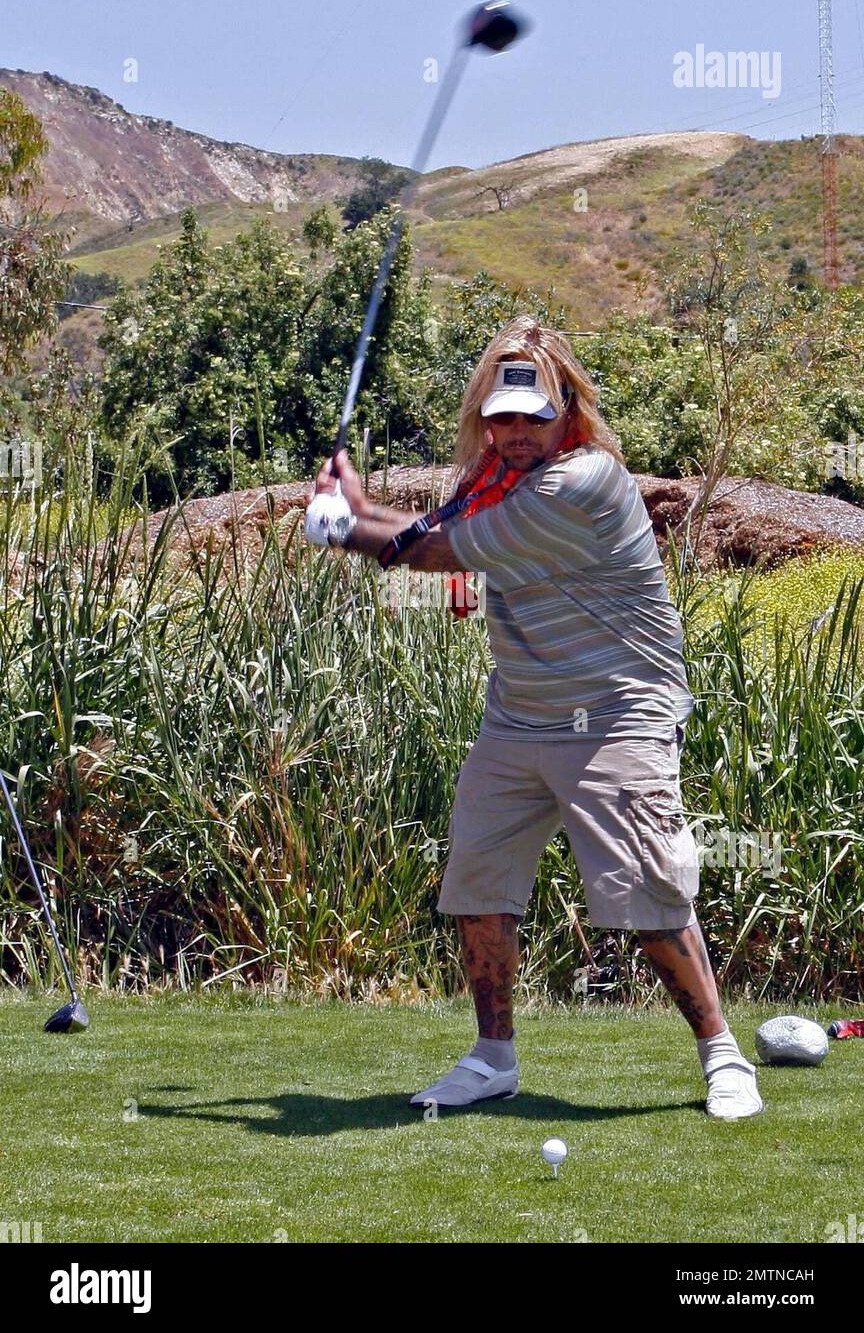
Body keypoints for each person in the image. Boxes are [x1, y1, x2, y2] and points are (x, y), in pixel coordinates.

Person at [304, 315, 764, 1122]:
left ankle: (722, 1052)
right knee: (478, 885)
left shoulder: (580, 485)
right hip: (519, 715)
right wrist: (358, 505)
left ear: (568, 416)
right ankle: (492, 1058)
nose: (514, 433)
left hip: (619, 713)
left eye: (532, 417)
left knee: (647, 897)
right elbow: (429, 533)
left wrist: (345, 525)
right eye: (501, 418)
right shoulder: (496, 481)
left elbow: (437, 553)